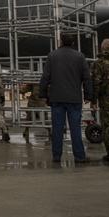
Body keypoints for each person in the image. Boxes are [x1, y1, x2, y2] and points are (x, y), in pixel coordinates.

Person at [39, 34, 92, 163]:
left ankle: (57, 156)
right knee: (75, 128)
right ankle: (79, 156)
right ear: (72, 43)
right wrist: (88, 95)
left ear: (61, 41)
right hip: (74, 99)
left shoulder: (52, 56)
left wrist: (43, 94)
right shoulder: (80, 56)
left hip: (57, 98)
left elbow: (45, 77)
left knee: (57, 128)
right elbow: (87, 77)